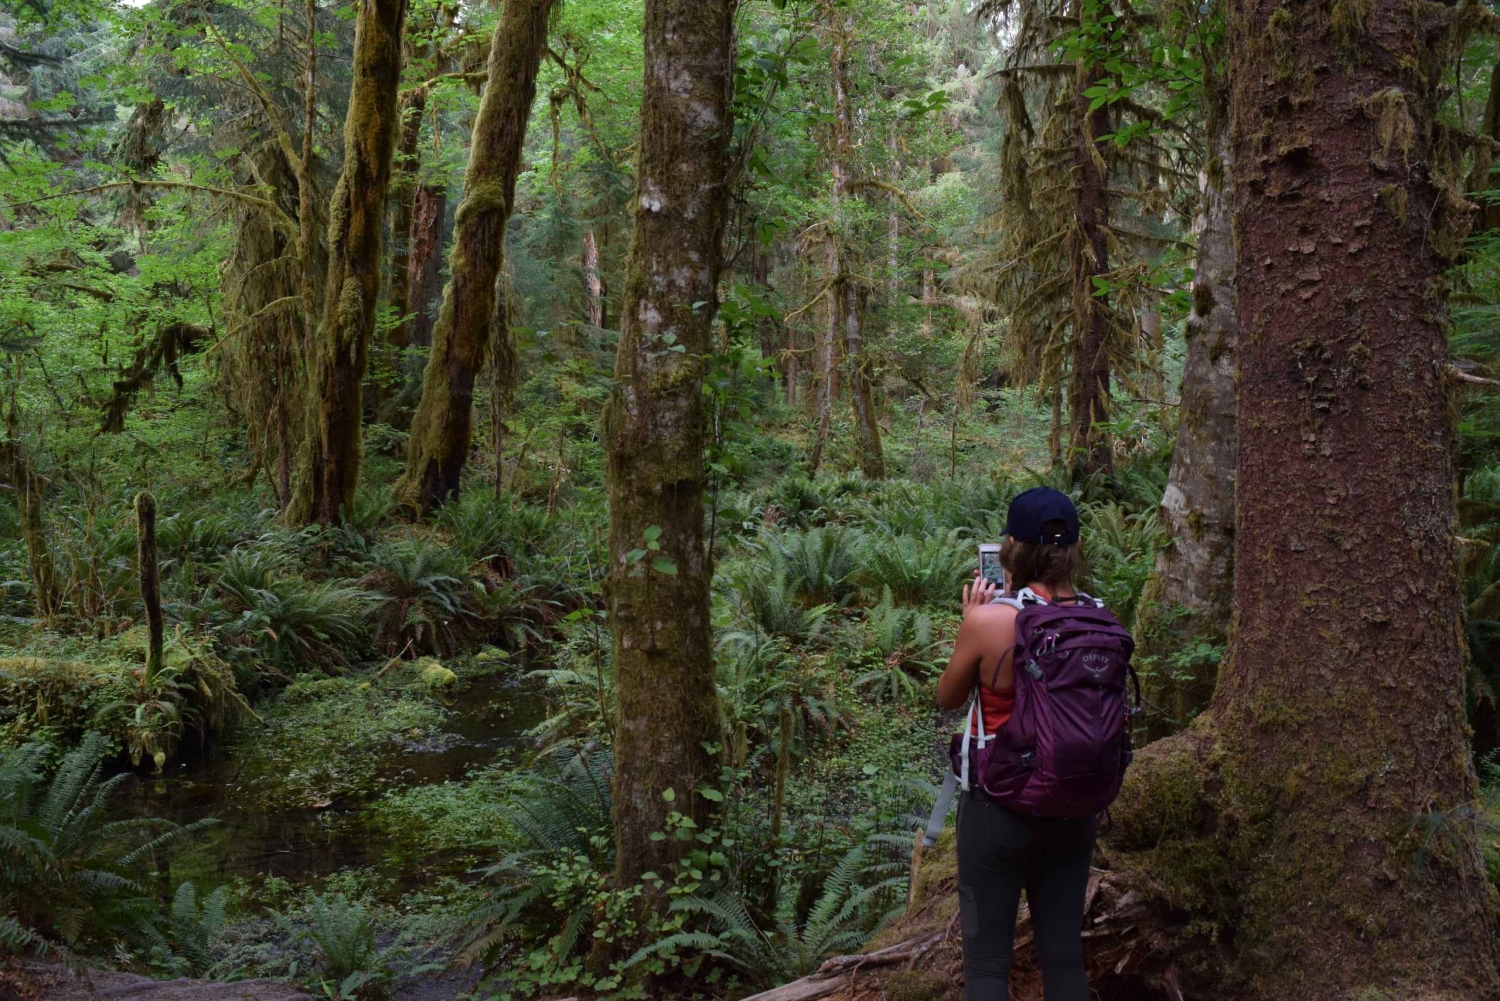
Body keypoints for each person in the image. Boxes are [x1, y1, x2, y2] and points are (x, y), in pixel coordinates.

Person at [936, 486, 1096, 1001]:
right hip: (1074, 807)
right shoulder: (1101, 619)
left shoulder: (990, 623)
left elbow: (947, 697)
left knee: (986, 970)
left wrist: (972, 620)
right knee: (1065, 961)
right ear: (1071, 551)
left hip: (998, 810)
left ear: (1011, 549)